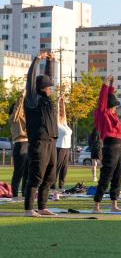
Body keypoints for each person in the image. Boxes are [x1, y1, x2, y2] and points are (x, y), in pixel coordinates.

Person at [23, 51, 58, 217]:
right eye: (49, 86)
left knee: (50, 177)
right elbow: (30, 80)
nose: (51, 88)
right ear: (43, 88)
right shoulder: (32, 98)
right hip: (39, 142)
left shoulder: (47, 99)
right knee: (36, 176)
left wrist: (50, 62)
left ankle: (42, 207)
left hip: (52, 142)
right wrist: (37, 60)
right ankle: (29, 209)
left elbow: (48, 77)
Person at [93, 75, 121, 213]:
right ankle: (97, 206)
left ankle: (114, 205)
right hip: (110, 147)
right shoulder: (103, 114)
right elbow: (103, 100)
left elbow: (110, 97)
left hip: (119, 148)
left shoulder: (114, 116)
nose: (115, 108)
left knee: (118, 176)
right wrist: (105, 84)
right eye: (114, 106)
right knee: (106, 177)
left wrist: (112, 84)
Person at [9, 92, 28, 199]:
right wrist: (22, 96)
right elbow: (18, 108)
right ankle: (14, 193)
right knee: (18, 172)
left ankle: (25, 194)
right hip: (20, 145)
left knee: (27, 172)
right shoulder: (14, 118)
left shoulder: (22, 118)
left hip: (27, 144)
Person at [52, 97, 72, 196]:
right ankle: (52, 186)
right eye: (59, 115)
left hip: (67, 148)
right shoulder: (57, 124)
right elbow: (57, 113)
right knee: (57, 168)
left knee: (64, 169)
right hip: (59, 148)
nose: (61, 115)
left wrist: (63, 103)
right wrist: (58, 102)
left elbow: (64, 113)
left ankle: (61, 187)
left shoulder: (65, 124)